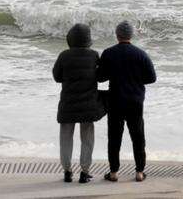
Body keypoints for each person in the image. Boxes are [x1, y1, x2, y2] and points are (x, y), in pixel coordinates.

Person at [98, 21, 157, 182]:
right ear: (131, 35)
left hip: (115, 100)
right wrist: (137, 80)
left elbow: (100, 77)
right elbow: (152, 78)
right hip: (135, 101)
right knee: (138, 137)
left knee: (114, 137)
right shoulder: (141, 54)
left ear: (117, 35)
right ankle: (139, 172)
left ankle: (114, 172)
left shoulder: (108, 53)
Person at [53, 23, 105, 184]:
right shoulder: (93, 55)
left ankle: (67, 171)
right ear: (87, 39)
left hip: (68, 104)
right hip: (88, 105)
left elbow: (57, 77)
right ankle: (84, 172)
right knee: (87, 138)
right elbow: (101, 76)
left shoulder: (64, 55)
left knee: (66, 137)